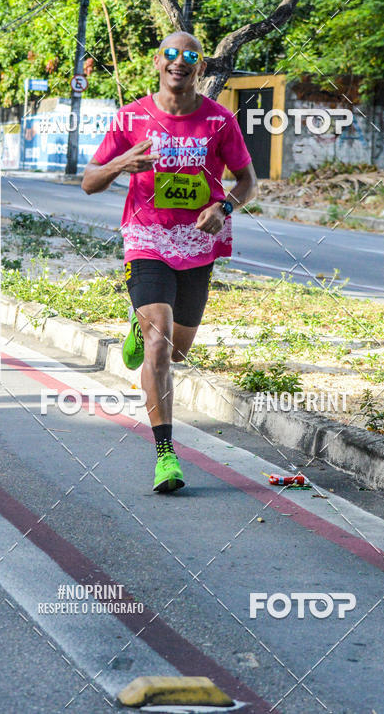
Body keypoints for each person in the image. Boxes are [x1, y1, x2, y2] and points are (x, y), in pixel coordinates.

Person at [81, 31, 257, 493]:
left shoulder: (219, 121)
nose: (180, 62)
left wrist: (224, 208)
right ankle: (165, 455)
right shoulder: (131, 117)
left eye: (190, 56)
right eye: (172, 54)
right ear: (158, 62)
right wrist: (121, 164)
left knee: (177, 352)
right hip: (146, 239)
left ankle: (141, 323)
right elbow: (89, 182)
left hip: (197, 245)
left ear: (200, 67)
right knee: (159, 346)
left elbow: (247, 180)